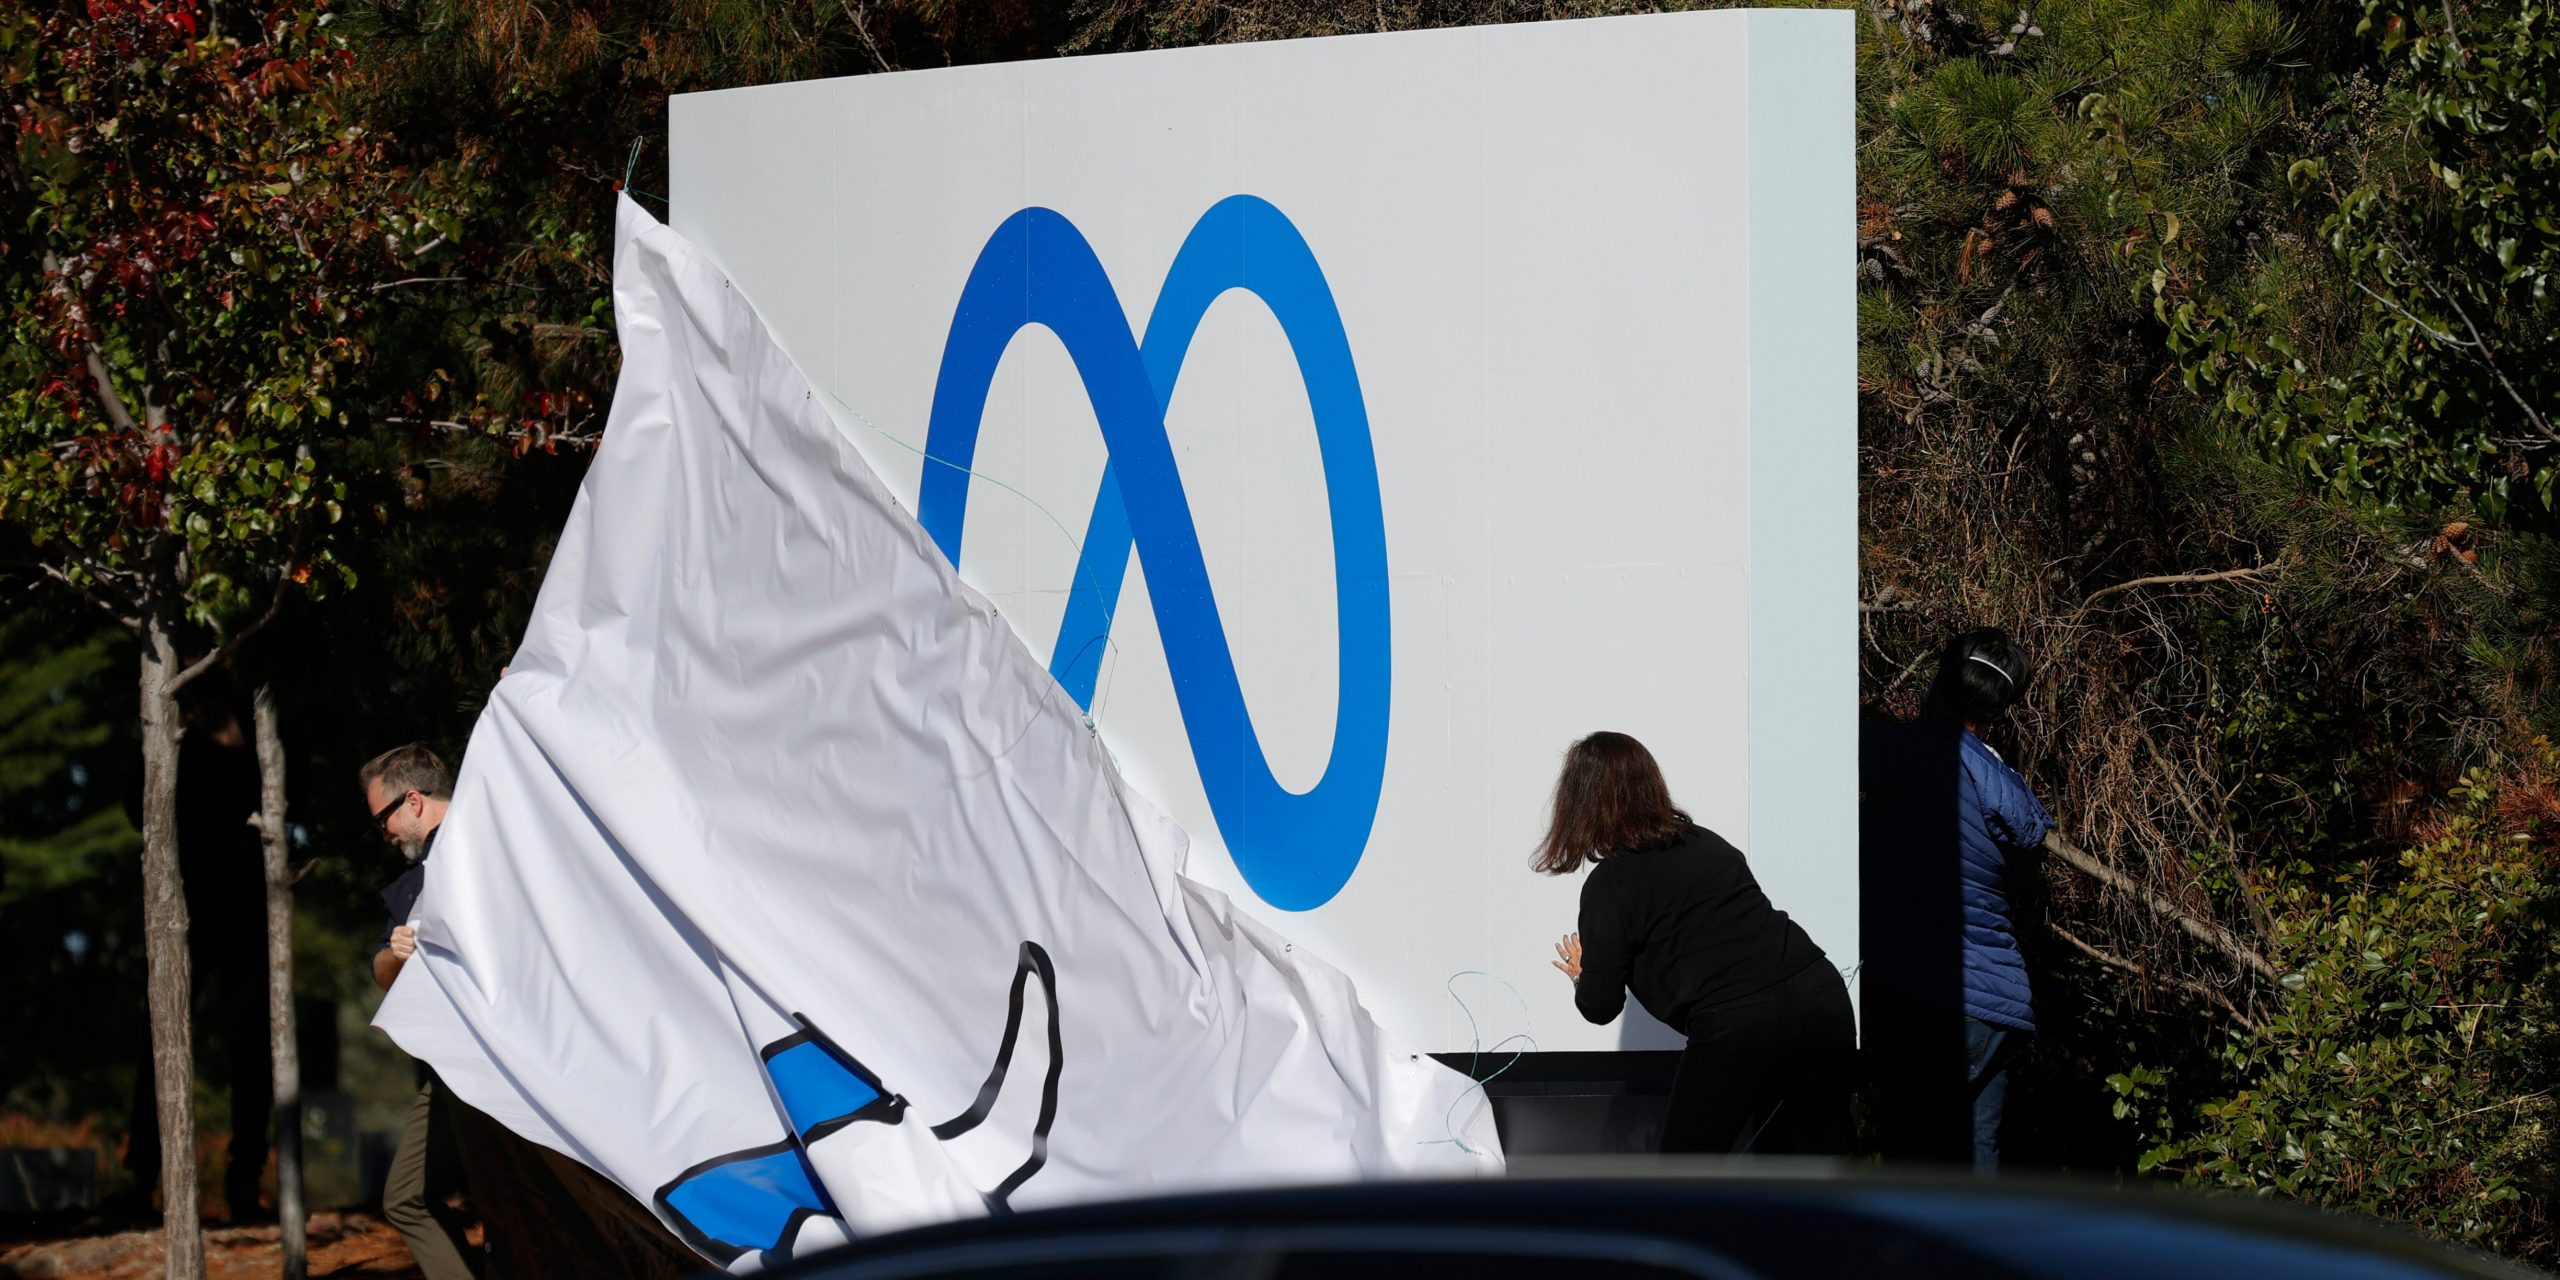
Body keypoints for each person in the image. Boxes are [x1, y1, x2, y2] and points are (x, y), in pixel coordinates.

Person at [1538, 731, 1854, 1155]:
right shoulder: (1707, 842)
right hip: (1820, 995)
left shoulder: (1610, 884)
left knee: (1686, 1172)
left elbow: (1600, 1005)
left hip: (1739, 1023)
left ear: (1582, 801)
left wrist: (1583, 974)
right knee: (1813, 1170)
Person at [1918, 627, 2054, 1171]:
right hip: (2000, 995)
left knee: (1923, 1158)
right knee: (1977, 1161)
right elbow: (2025, 859)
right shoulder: (2002, 779)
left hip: (1945, 995)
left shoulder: (1920, 753)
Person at [362, 743, 482, 1280]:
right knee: (411, 1196)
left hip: (507, 1055)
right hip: (459, 1066)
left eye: (382, 819)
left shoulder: (491, 831)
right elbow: (384, 970)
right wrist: (395, 952)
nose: (382, 835)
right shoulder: (417, 879)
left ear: (412, 801)